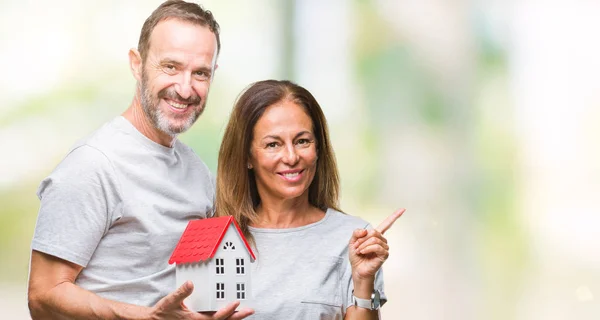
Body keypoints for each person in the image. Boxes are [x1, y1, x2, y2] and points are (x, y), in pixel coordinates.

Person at [27, 1, 253, 319]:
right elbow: (43, 295)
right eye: (171, 67)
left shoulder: (198, 172)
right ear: (137, 63)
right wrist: (145, 316)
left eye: (200, 73)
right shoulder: (93, 165)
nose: (185, 88)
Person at [215, 79, 405, 319]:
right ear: (247, 157)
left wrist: (363, 280)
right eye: (273, 144)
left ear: (318, 149)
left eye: (302, 141)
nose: (292, 157)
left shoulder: (354, 240)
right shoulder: (219, 242)